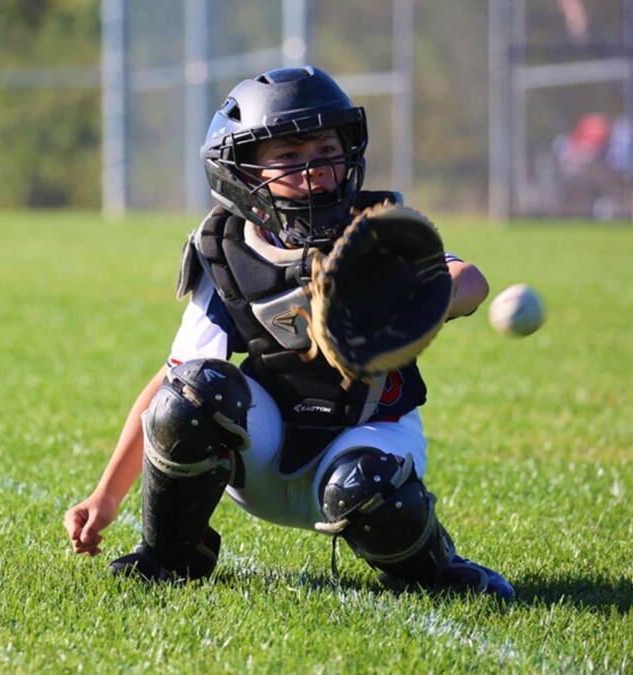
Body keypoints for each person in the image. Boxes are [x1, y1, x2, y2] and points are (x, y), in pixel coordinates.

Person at [62, 65, 514, 600]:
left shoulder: (377, 230)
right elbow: (171, 381)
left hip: (366, 438)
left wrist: (399, 301)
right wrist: (107, 494)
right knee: (190, 392)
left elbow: (469, 281)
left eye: (325, 150)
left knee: (363, 484)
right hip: (264, 453)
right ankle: (172, 554)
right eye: (288, 158)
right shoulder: (227, 250)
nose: (313, 170)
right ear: (243, 172)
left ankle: (433, 567)